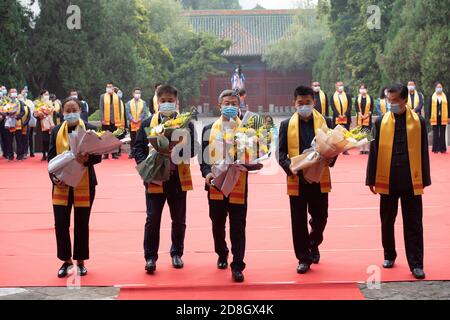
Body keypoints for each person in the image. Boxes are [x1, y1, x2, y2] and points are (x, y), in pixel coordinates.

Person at [366, 84, 431, 280]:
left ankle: (416, 263)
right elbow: (373, 151)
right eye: (388, 99)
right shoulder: (379, 122)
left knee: (413, 223)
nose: (390, 103)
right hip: (388, 179)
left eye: (394, 100)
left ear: (404, 100)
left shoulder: (418, 121)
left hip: (411, 179)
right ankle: (389, 255)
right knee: (387, 220)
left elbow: (423, 153)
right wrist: (371, 179)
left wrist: (424, 179)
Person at [134, 84, 197, 274]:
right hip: (154, 178)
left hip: (177, 177)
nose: (167, 104)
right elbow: (137, 149)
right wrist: (146, 164)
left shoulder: (186, 124)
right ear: (157, 102)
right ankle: (150, 257)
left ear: (176, 102)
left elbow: (194, 149)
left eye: (170, 101)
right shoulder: (147, 124)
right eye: (163, 101)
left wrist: (177, 149)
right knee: (152, 219)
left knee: (178, 219)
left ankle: (177, 253)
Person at [278, 86, 336, 274]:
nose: (304, 106)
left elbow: (334, 148)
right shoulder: (286, 125)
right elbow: (281, 154)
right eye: (300, 103)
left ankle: (313, 243)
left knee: (321, 218)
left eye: (307, 103)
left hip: (319, 178)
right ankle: (303, 258)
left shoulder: (326, 122)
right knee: (298, 220)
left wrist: (331, 158)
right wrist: (291, 167)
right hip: (298, 179)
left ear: (314, 102)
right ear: (293, 103)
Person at [200, 89, 253, 283]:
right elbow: (203, 156)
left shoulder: (247, 129)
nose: (230, 107)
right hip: (215, 182)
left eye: (234, 104)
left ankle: (238, 265)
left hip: (238, 182)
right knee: (217, 223)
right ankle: (222, 253)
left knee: (238, 225)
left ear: (239, 106)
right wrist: (206, 173)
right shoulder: (208, 129)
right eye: (226, 103)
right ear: (219, 104)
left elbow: (255, 154)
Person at [48, 97, 102, 278]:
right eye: (67, 111)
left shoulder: (90, 130)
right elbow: (51, 159)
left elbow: (98, 157)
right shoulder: (56, 131)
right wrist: (54, 178)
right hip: (61, 184)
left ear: (80, 110)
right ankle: (66, 260)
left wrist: (87, 159)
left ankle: (80, 261)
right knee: (61, 224)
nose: (71, 114)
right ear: (62, 112)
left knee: (81, 223)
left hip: (84, 183)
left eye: (74, 110)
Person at [99, 82, 125, 159]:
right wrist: (102, 118)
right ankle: (106, 154)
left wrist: (120, 119)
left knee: (114, 137)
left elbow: (120, 108)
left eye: (110, 87)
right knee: (105, 137)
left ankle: (114, 153)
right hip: (105, 120)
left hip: (115, 120)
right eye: (107, 87)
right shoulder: (102, 96)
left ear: (113, 88)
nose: (109, 88)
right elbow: (101, 108)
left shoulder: (117, 97)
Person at [330, 81, 352, 155]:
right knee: (336, 133)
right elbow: (333, 107)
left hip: (346, 117)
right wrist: (338, 115)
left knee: (346, 133)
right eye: (339, 85)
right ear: (336, 86)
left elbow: (350, 106)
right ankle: (337, 149)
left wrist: (345, 114)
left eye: (342, 85)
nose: (341, 87)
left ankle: (345, 149)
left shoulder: (347, 95)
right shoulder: (333, 96)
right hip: (337, 117)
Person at [34, 90, 56, 161]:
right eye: (45, 94)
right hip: (41, 124)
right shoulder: (37, 103)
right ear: (41, 95)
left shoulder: (51, 103)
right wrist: (40, 115)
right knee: (43, 140)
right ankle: (43, 154)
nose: (47, 95)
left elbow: (54, 112)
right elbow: (35, 114)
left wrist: (49, 112)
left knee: (50, 139)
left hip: (50, 124)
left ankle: (50, 154)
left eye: (48, 94)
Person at [126, 87, 147, 159]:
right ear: (133, 94)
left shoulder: (143, 102)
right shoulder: (129, 103)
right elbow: (128, 112)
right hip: (132, 123)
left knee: (140, 139)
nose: (137, 94)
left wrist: (140, 119)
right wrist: (132, 119)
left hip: (140, 123)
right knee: (133, 139)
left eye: (139, 93)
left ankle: (139, 152)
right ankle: (132, 152)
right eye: (136, 93)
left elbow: (144, 112)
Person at [4, 88, 25, 161]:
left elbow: (23, 112)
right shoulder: (6, 103)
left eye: (15, 92)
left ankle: (20, 156)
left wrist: (17, 116)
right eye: (12, 92)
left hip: (17, 124)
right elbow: (3, 111)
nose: (14, 93)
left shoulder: (20, 102)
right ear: (9, 94)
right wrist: (8, 113)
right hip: (9, 124)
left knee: (19, 140)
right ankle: (10, 156)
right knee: (9, 140)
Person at [428, 81, 448, 154]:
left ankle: (442, 149)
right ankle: (435, 148)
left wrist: (449, 117)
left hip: (443, 116)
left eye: (440, 87)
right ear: (435, 88)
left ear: (442, 88)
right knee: (436, 133)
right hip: (434, 117)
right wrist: (430, 117)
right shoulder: (432, 97)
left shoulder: (445, 96)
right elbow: (429, 107)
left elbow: (449, 107)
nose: (439, 88)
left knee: (442, 132)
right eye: (437, 87)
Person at [355, 84, 374, 155]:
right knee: (361, 133)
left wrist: (367, 115)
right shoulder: (357, 98)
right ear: (359, 90)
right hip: (360, 118)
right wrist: (361, 115)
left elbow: (372, 107)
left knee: (368, 133)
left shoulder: (370, 98)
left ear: (367, 90)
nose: (362, 90)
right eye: (361, 88)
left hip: (368, 118)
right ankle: (361, 148)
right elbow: (356, 107)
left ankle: (367, 148)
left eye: (364, 88)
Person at [21, 88, 36, 157]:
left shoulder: (30, 101)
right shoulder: (19, 100)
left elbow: (33, 111)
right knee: (24, 137)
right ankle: (24, 151)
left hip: (30, 121)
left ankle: (31, 151)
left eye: (25, 92)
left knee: (30, 137)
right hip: (22, 122)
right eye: (23, 92)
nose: (24, 93)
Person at [17, 94, 31, 160]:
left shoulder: (27, 107)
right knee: (19, 140)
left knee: (25, 140)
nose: (20, 99)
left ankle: (25, 152)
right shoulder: (16, 107)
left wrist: (24, 124)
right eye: (19, 97)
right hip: (18, 126)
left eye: (21, 97)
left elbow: (29, 117)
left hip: (25, 125)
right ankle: (20, 153)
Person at [0, 85, 8, 159]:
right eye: (1, 90)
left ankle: (6, 153)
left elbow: (9, 109)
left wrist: (3, 115)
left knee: (5, 137)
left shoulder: (7, 100)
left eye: (4, 89)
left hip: (4, 121)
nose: (2, 91)